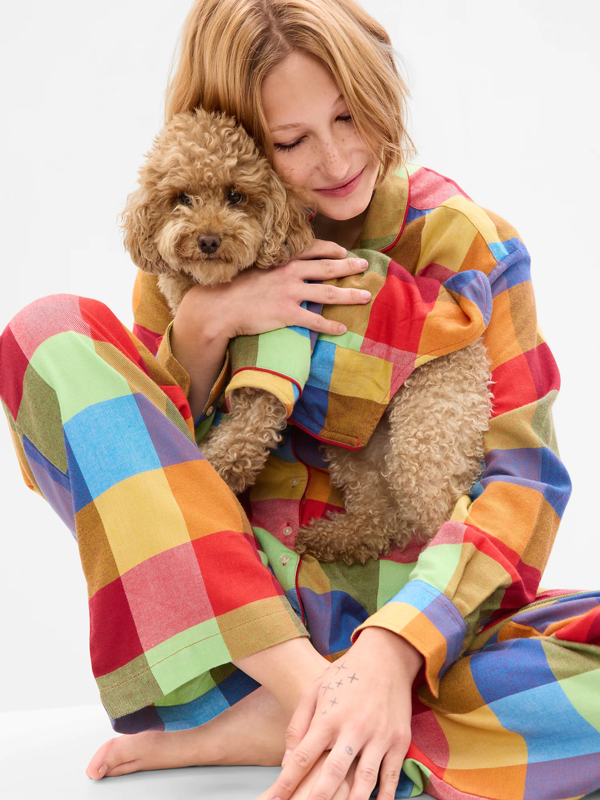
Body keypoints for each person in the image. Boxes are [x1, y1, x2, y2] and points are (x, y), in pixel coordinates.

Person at [1, 1, 599, 799]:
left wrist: (392, 651)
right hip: (240, 641)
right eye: (291, 141)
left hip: (415, 638)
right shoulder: (188, 262)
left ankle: (313, 720)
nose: (338, 155)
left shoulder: (466, 240)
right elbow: (143, 484)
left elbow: (524, 483)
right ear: (238, 135)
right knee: (44, 332)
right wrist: (203, 328)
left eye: (351, 114)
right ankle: (308, 700)